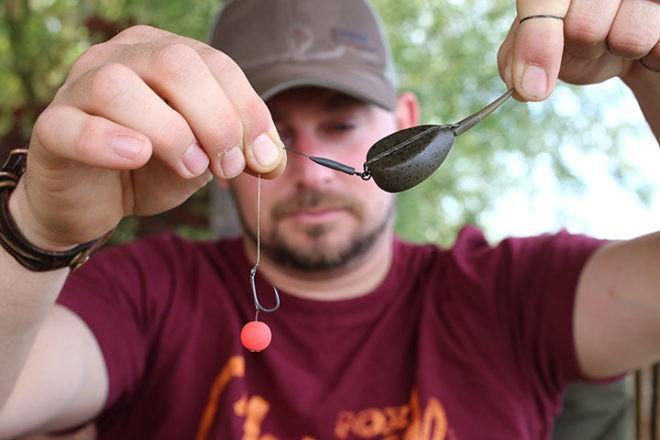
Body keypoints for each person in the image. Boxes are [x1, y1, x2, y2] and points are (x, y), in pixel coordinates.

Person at [0, 0, 657, 438]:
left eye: (340, 124)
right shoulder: (146, 292)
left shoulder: (516, 295)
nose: (313, 174)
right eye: (274, 135)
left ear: (405, 123)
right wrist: (39, 229)